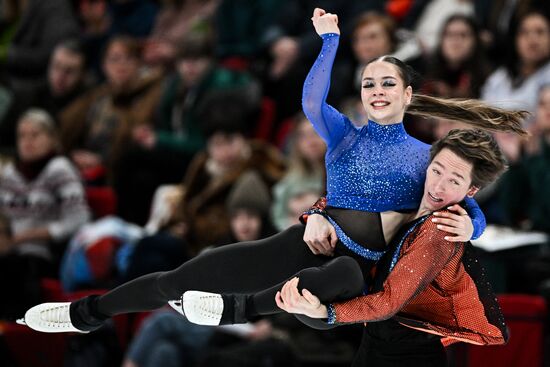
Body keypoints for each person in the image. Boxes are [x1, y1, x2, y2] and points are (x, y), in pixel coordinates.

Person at [18, 8, 526, 334]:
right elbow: (311, 98)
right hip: (306, 240)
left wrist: (474, 225)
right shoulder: (344, 133)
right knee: (186, 277)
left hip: (360, 277)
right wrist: (328, 42)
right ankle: (88, 314)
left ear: (408, 95)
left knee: (337, 272)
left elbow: (464, 199)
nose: (376, 91)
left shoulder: (425, 156)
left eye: (388, 84)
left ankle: (239, 309)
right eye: (369, 82)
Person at [274, 129, 509, 366]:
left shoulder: (440, 230)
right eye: (437, 171)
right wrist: (317, 212)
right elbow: (351, 195)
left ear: (470, 191)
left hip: (408, 356)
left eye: (454, 181)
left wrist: (327, 312)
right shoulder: (409, 190)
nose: (437, 187)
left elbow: (389, 301)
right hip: (374, 343)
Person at [0, 109, 90, 318]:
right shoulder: (9, 174)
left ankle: (19, 334)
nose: (27, 141)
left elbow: (79, 219)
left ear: (52, 138)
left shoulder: (59, 169)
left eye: (35, 135)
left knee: (14, 269)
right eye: (22, 135)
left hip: (45, 254)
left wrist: (28, 235)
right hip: (9, 251)